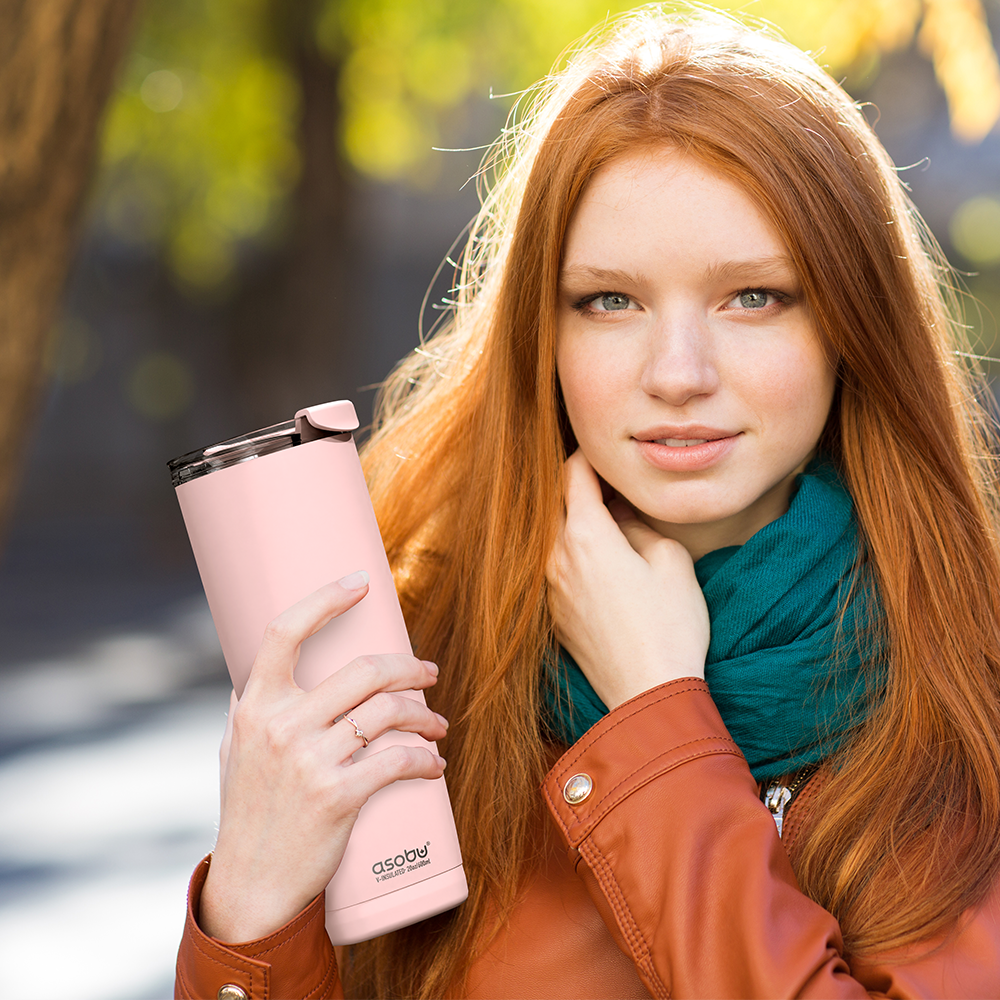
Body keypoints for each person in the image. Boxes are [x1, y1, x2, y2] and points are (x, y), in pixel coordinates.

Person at [175, 5, 1000, 998]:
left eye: (753, 296)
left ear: (847, 322)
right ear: (545, 336)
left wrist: (657, 719)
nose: (679, 372)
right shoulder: (418, 667)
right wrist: (253, 914)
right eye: (610, 300)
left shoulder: (969, 685)